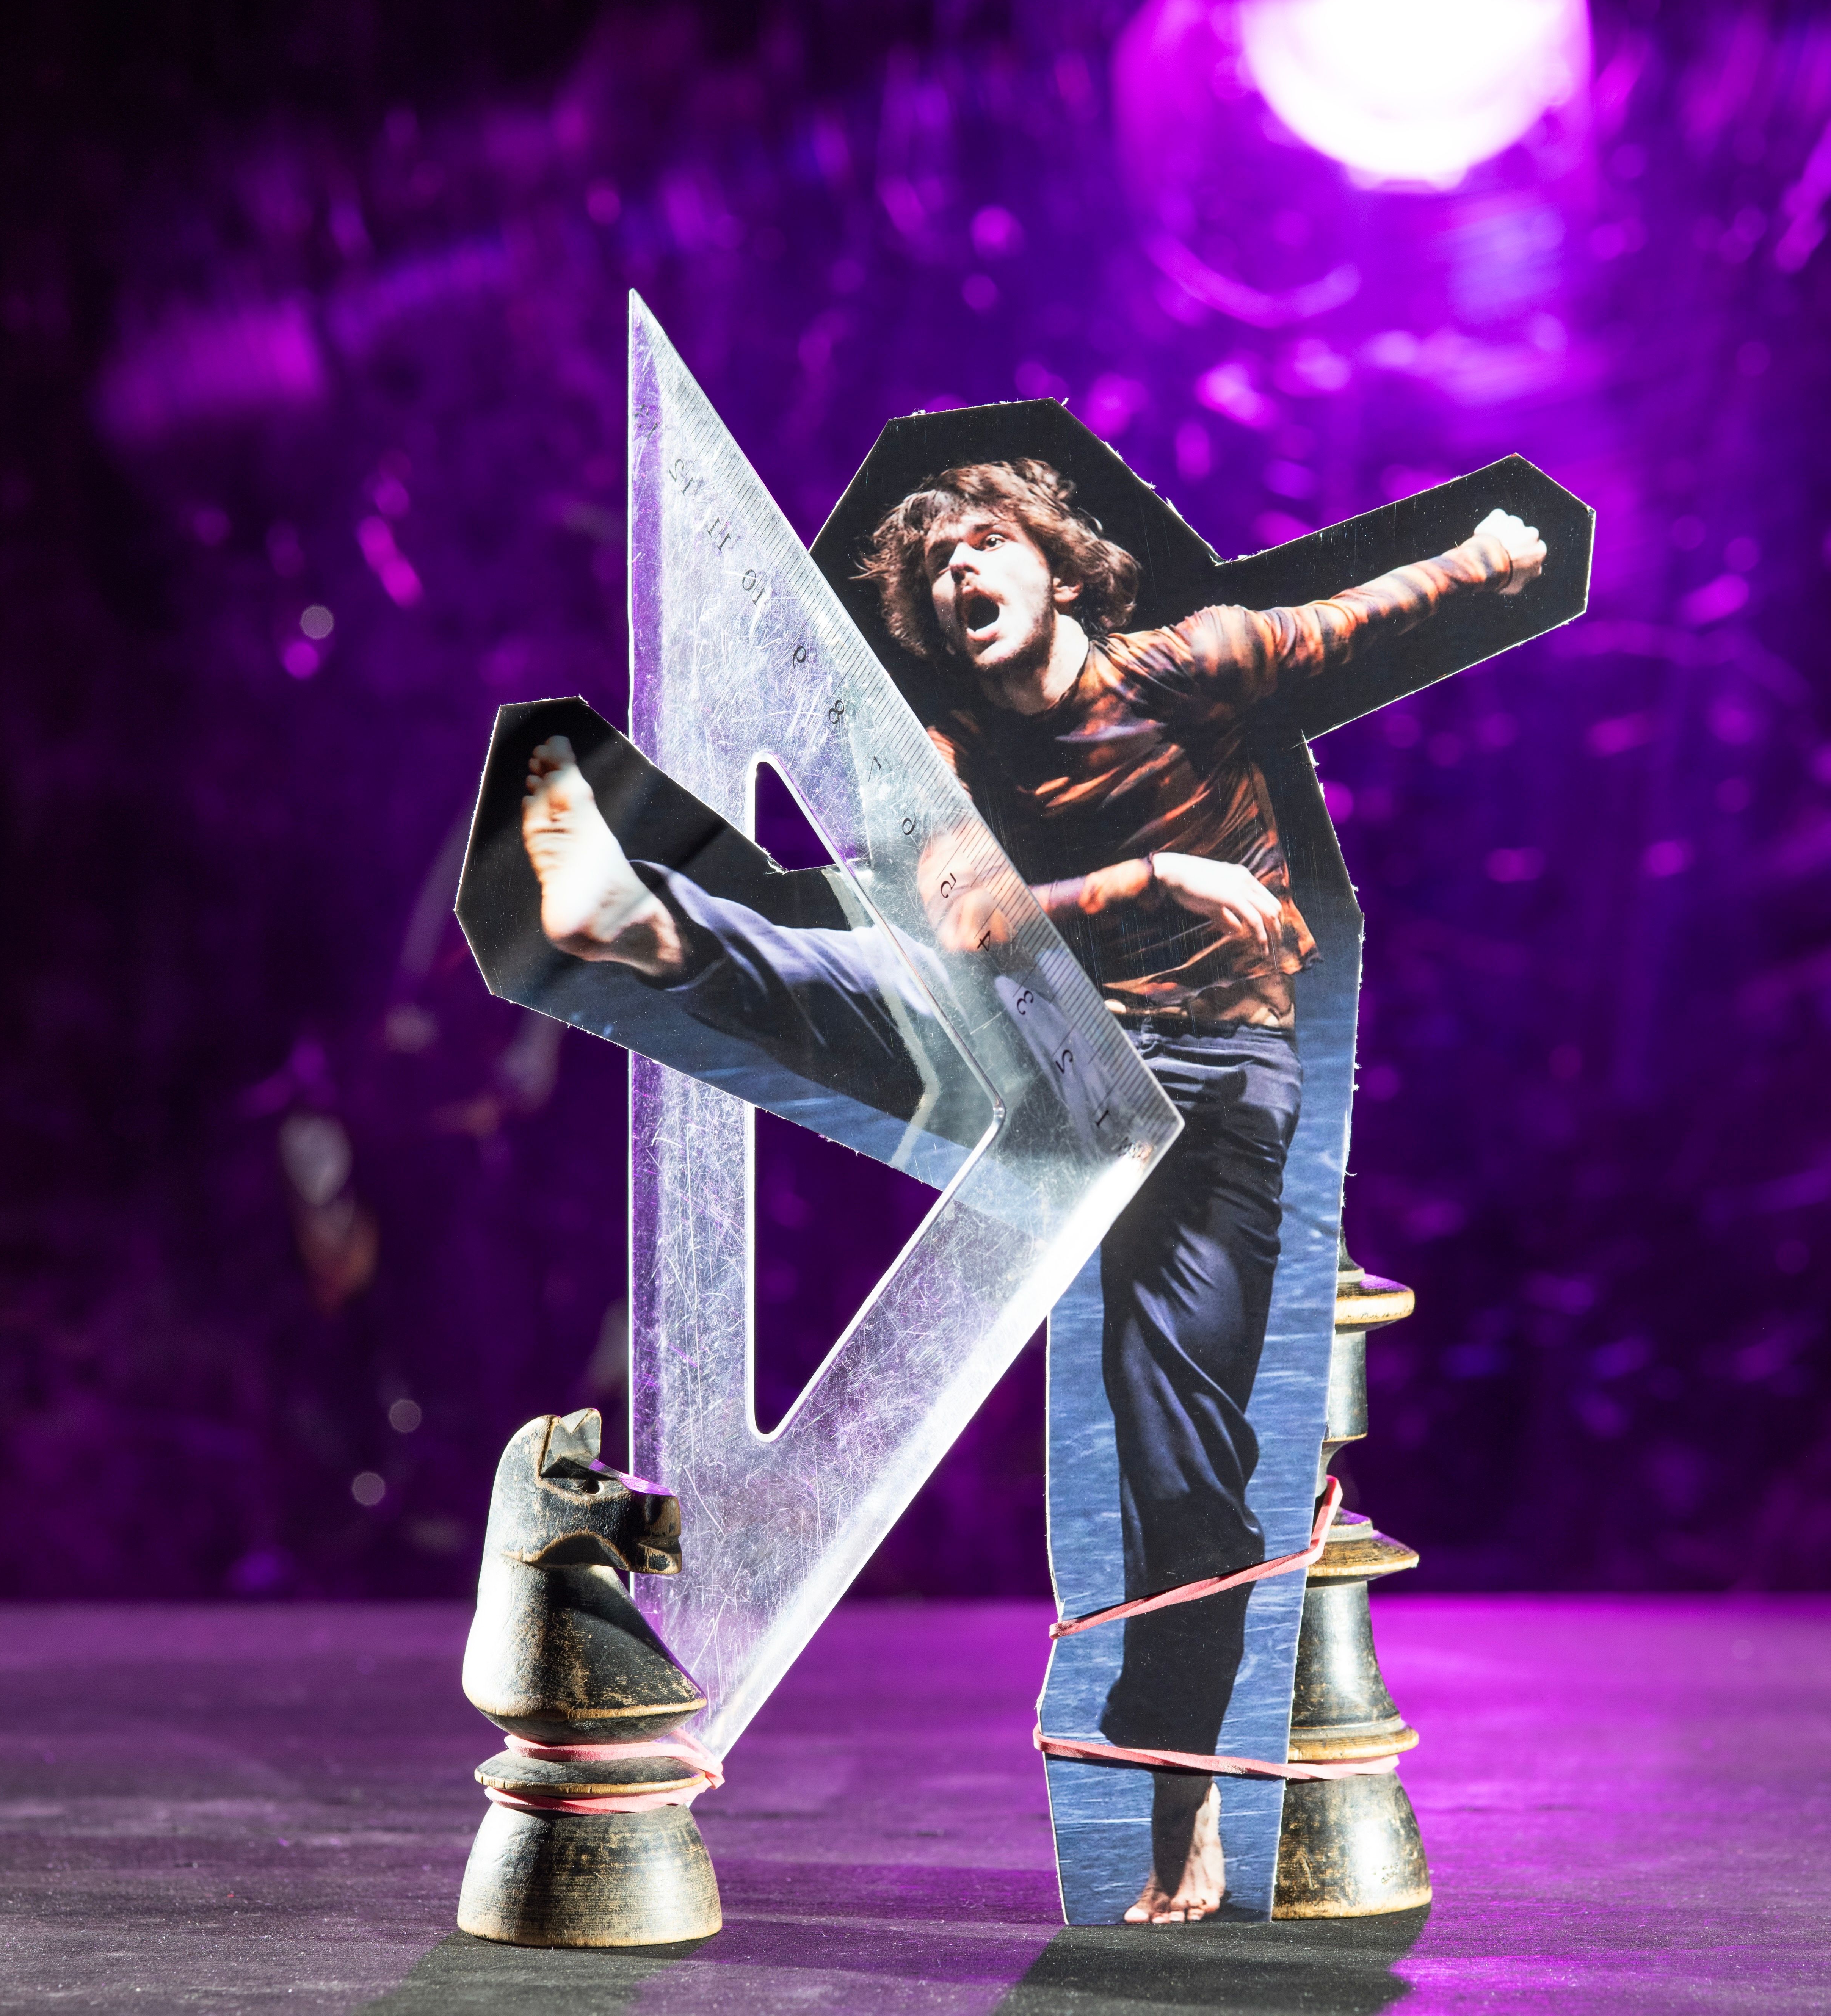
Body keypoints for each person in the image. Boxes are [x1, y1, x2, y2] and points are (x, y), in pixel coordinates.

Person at [522, 460, 1545, 1924]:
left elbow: (1351, 618)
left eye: (984, 544)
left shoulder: (1187, 664)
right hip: (1058, 1056)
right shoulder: (954, 751)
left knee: (1179, 1468)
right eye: (935, 566)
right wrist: (1157, 876)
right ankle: (644, 924)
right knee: (885, 973)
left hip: (1211, 1085)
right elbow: (967, 920)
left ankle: (1185, 1818)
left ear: (1057, 569)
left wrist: (1488, 561)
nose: (959, 575)